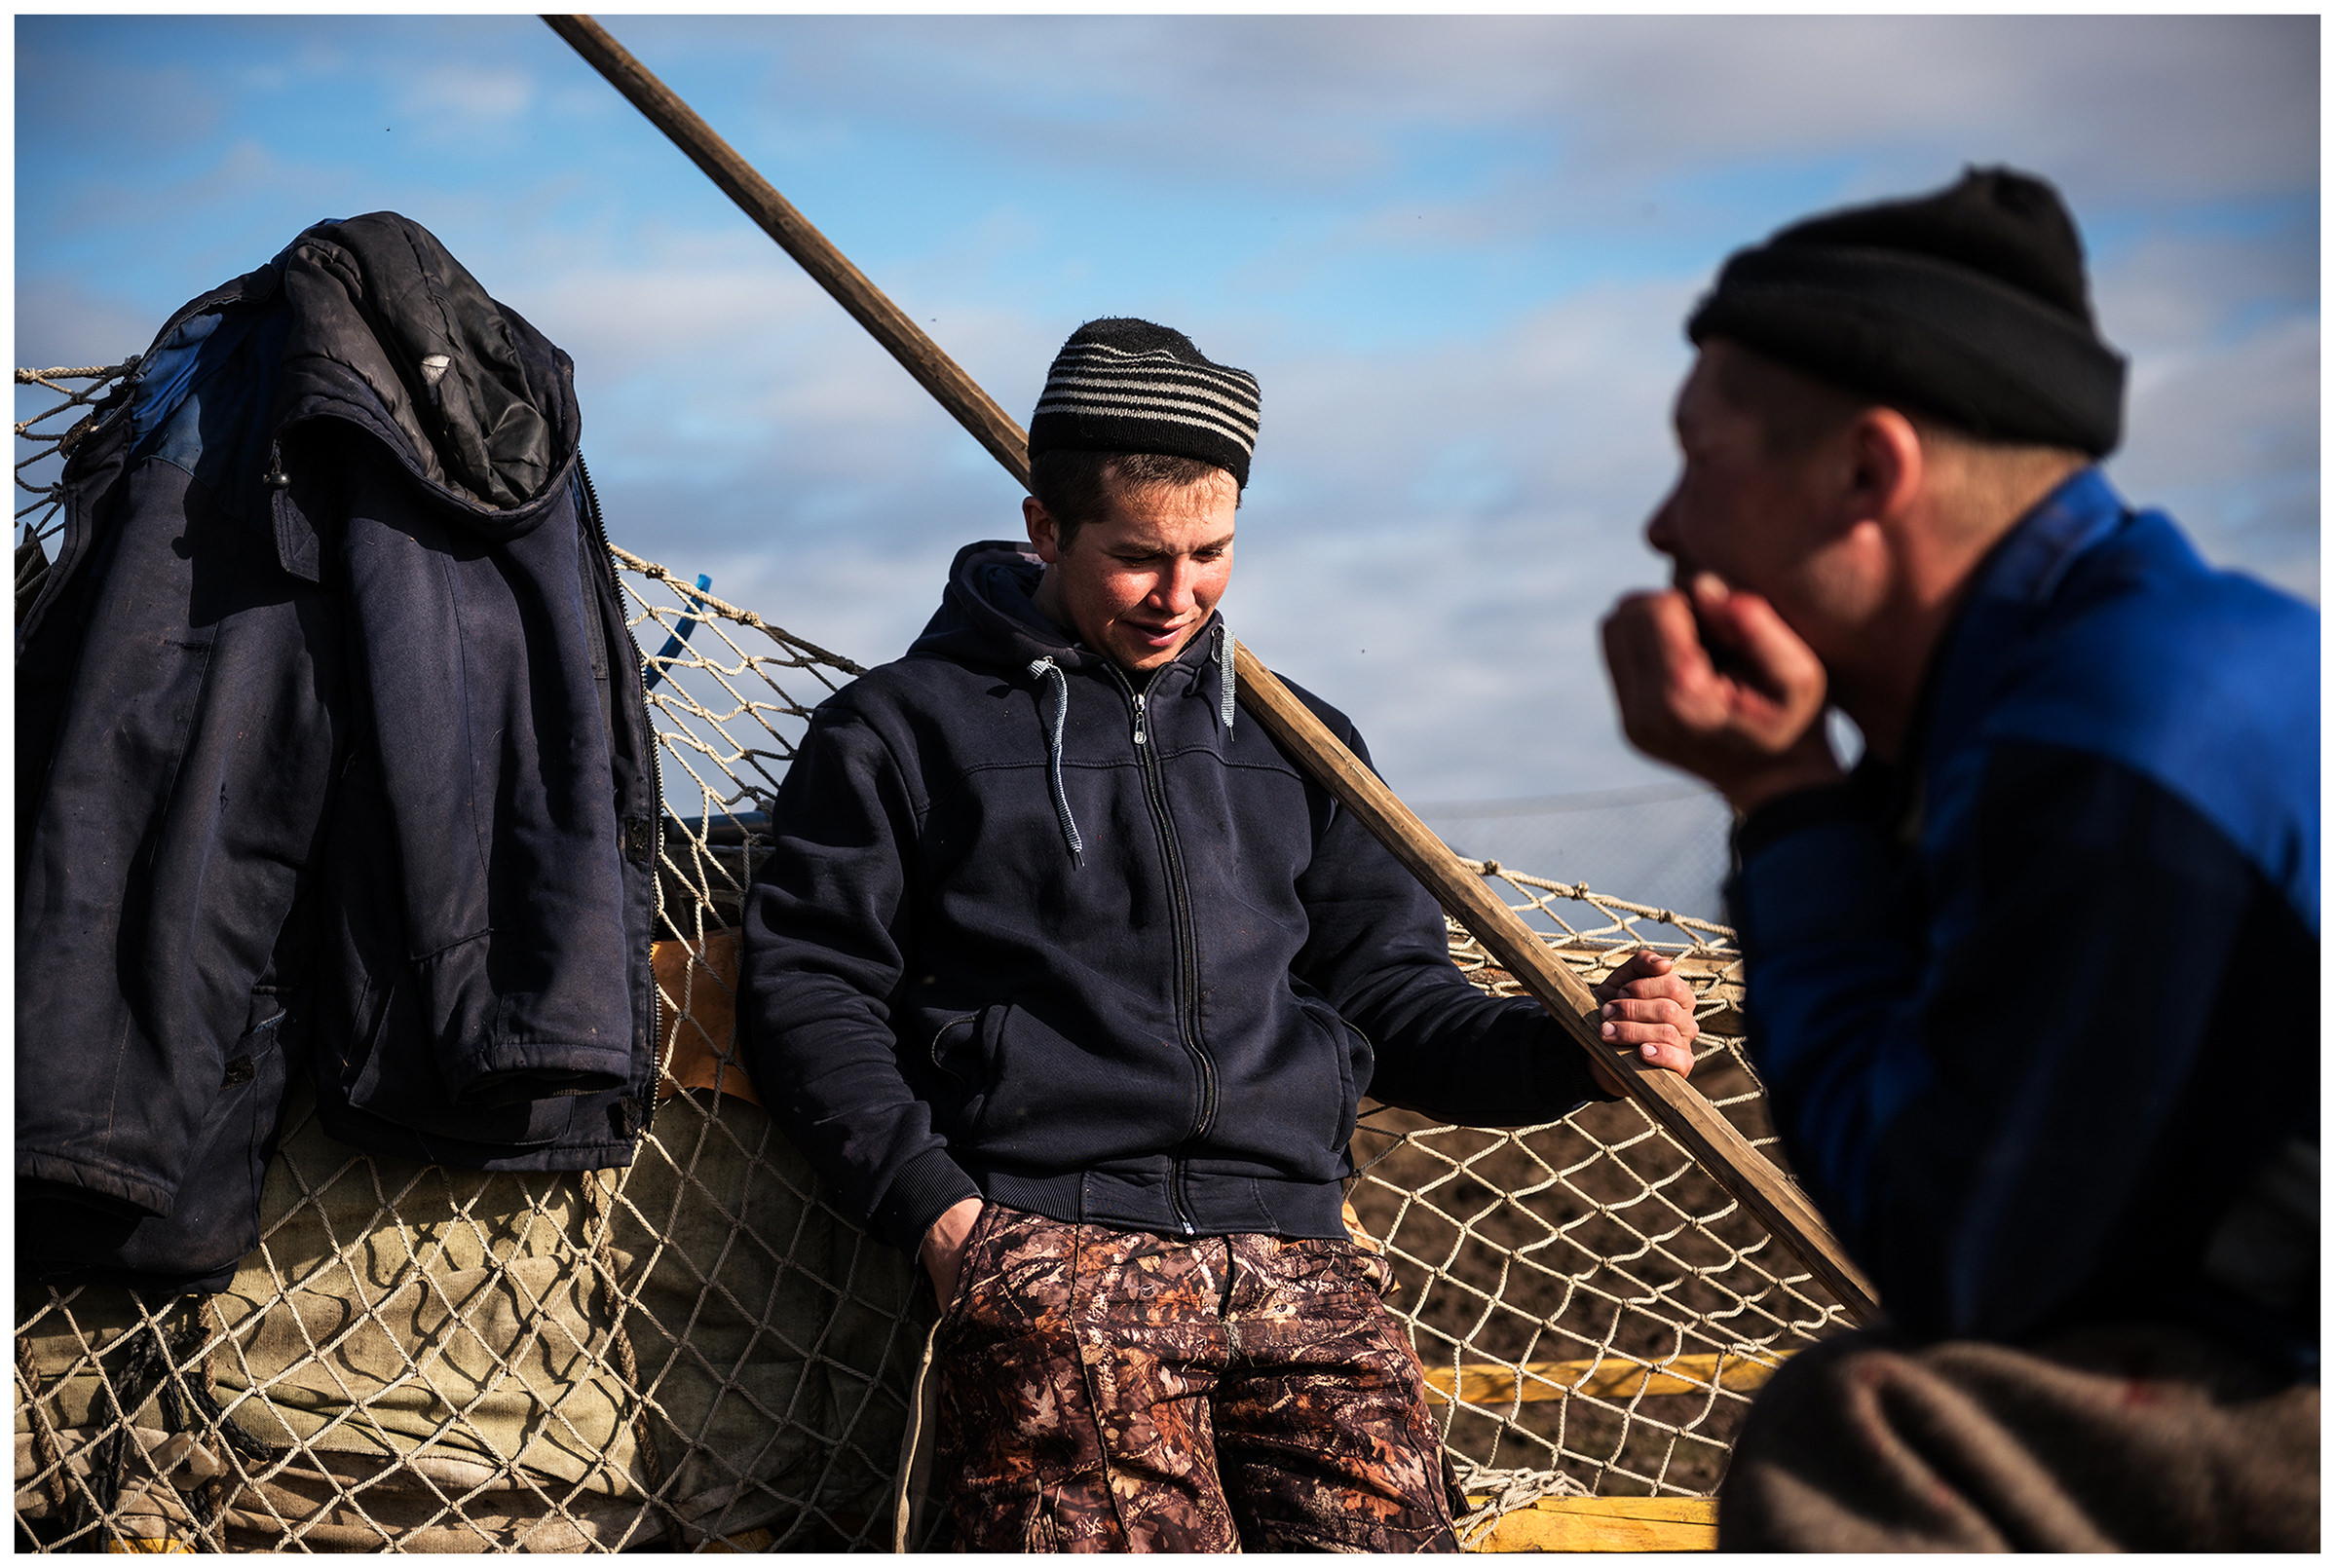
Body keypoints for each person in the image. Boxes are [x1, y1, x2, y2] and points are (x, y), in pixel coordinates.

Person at [739, 317, 1700, 1551]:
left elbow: (1394, 998)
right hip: (1056, 1259)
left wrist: (1573, 1050)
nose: (1180, 596)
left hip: (1304, 1255)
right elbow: (812, 989)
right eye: (1139, 557)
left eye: (1213, 553)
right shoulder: (897, 731)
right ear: (1044, 529)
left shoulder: (1306, 741)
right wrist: (948, 1221)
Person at [1601, 168, 2317, 1551]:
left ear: (1868, 472)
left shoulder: (2107, 739)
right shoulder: (2098, 670)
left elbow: (1955, 1249)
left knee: (1866, 1434)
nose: (1663, 525)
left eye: (1701, 456)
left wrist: (1784, 799)